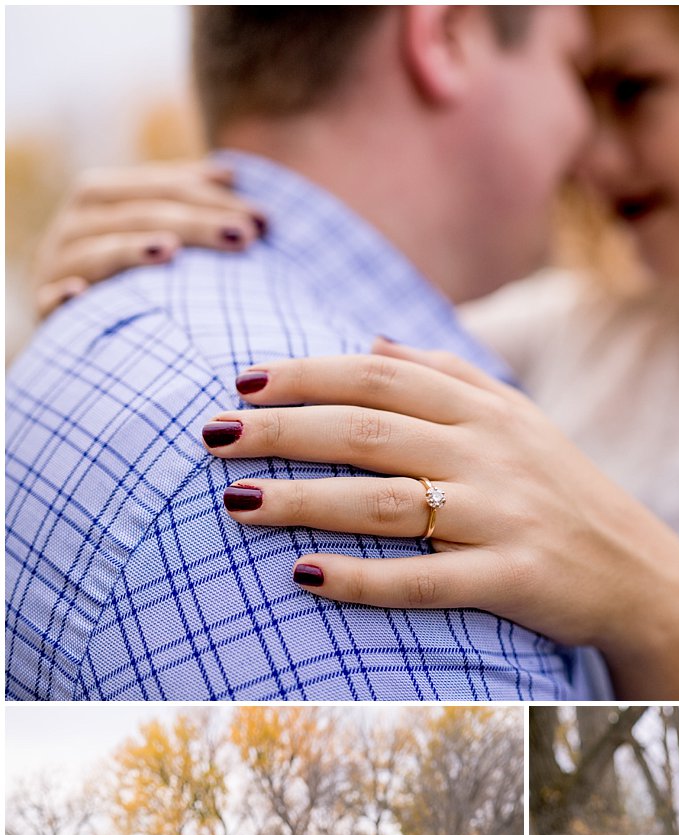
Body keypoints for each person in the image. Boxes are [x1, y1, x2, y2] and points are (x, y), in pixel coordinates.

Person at [29, 6, 679, 699]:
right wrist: (128, 273)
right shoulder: (592, 319)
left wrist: (660, 602)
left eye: (635, 90)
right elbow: (337, 322)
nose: (590, 157)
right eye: (579, 90)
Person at [5, 5, 615, 702]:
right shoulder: (359, 470)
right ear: (445, 37)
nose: (595, 142)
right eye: (576, 69)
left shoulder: (93, 329)